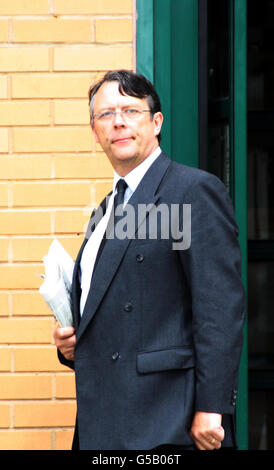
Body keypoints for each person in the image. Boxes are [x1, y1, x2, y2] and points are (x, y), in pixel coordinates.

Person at [53, 70, 245, 451]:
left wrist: (212, 406)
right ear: (95, 132)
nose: (118, 121)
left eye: (130, 110)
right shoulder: (105, 211)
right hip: (106, 418)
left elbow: (219, 308)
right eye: (106, 114)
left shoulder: (191, 191)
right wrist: (71, 343)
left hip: (168, 423)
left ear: (156, 123)